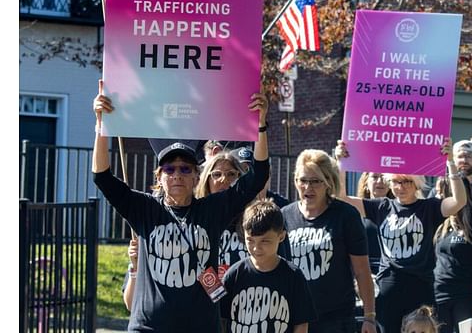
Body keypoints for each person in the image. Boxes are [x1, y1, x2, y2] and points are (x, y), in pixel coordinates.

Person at [92, 79, 270, 332]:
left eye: (186, 169)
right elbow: (102, 177)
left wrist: (261, 124)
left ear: (197, 177)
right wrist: (100, 125)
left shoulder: (212, 209)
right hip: (148, 327)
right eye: (170, 169)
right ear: (159, 177)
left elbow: (258, 175)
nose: (177, 174)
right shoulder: (143, 209)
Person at [334, 139, 467, 333]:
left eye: (406, 181)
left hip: (420, 286)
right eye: (396, 181)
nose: (400, 186)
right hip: (389, 287)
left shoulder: (428, 208)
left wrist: (451, 163)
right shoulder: (382, 206)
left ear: (416, 183)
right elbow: (342, 199)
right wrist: (341, 163)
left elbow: (459, 201)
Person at [281, 149, 376, 333]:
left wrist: (369, 317)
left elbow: (362, 270)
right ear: (295, 181)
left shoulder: (346, 215)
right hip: (295, 317)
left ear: (327, 183)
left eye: (315, 181)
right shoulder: (285, 216)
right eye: (303, 180)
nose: (308, 187)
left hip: (336, 319)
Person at [220, 199, 317, 333]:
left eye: (265, 241)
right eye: (250, 240)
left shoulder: (293, 276)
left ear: (281, 236)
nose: (256, 248)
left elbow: (301, 324)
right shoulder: (234, 275)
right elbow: (221, 320)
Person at [432, 181, 472, 333]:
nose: (437, 195)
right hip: (440, 294)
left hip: (467, 295)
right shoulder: (440, 221)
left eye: (441, 191)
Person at [357, 172, 393, 272]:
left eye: (384, 177)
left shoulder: (400, 211)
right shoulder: (355, 211)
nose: (380, 181)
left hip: (392, 273)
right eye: (375, 177)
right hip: (365, 272)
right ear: (366, 184)